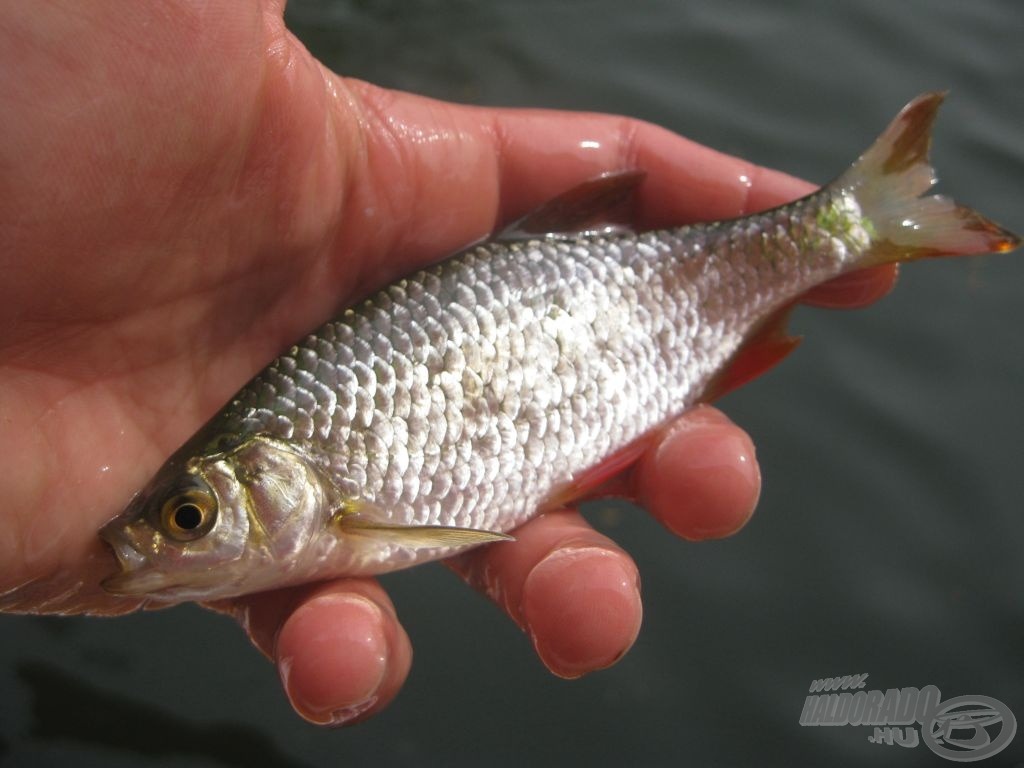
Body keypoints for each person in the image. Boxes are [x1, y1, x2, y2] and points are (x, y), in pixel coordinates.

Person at [0, 1, 895, 726]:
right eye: (186, 518)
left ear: (275, 480)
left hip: (600, 293)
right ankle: (856, 222)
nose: (160, 539)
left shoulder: (327, 495)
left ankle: (852, 224)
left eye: (188, 515)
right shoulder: (294, 483)